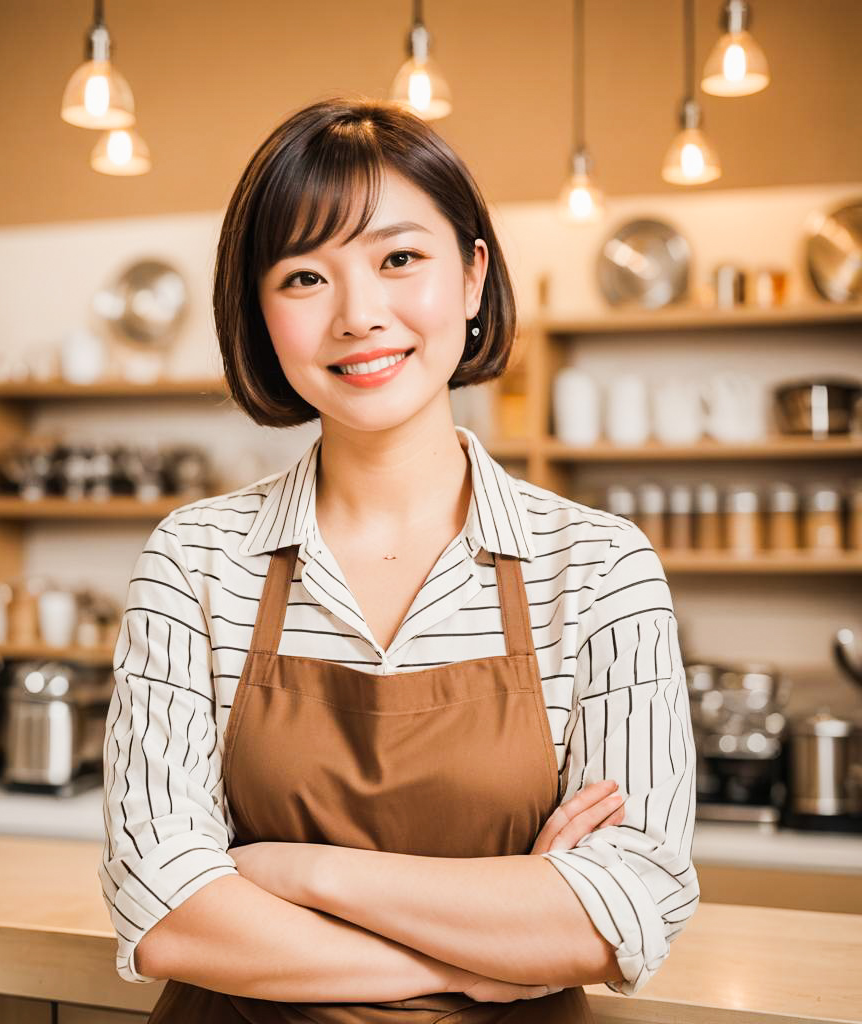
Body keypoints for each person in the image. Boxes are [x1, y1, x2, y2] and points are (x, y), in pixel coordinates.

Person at [99, 95, 699, 1023]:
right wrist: (485, 949)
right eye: (304, 277)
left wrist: (291, 871)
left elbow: (621, 911)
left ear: (471, 276)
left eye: (399, 258)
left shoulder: (599, 566)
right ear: (259, 314)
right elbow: (165, 910)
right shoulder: (194, 562)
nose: (358, 315)